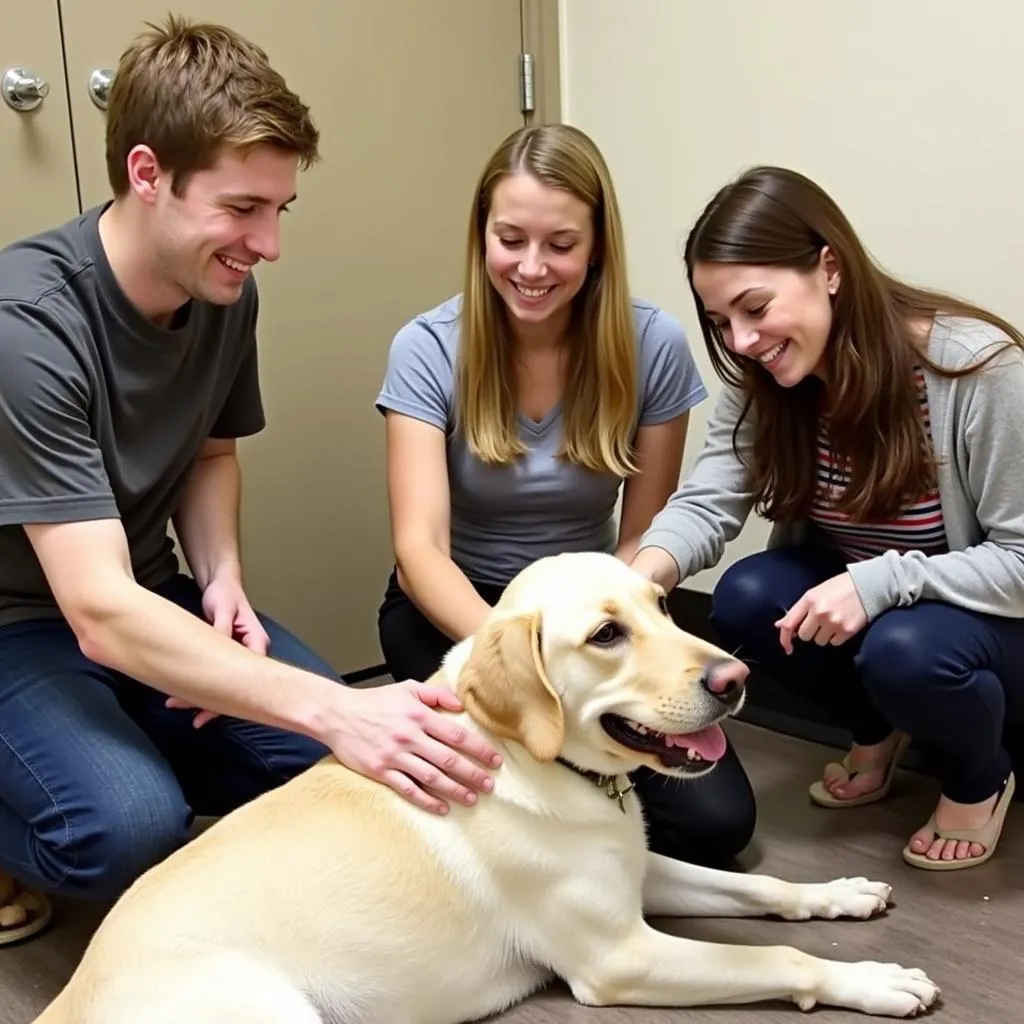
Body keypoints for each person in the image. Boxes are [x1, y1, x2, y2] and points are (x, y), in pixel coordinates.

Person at [0, 15, 500, 943]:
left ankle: (113, 742)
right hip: (21, 627)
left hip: (141, 597)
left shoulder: (222, 289)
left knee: (346, 776)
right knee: (124, 830)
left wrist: (222, 577)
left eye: (280, 211)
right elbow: (97, 610)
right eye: (241, 209)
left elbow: (210, 451)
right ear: (147, 175)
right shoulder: (25, 323)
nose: (266, 244)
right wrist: (335, 707)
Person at [374, 123, 757, 868]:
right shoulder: (427, 346)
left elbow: (643, 539)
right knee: (512, 802)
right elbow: (418, 549)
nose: (532, 267)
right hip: (459, 612)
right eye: (510, 239)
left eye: (560, 244)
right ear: (481, 236)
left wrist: (593, 647)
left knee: (713, 827)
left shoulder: (653, 345)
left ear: (597, 246)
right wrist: (517, 663)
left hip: (595, 616)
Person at [630, 164, 1024, 872]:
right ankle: (877, 729)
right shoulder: (768, 386)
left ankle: (981, 776)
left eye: (756, 308)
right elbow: (709, 500)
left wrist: (877, 582)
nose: (743, 340)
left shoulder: (977, 370)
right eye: (722, 322)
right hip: (892, 613)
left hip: (985, 628)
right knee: (747, 597)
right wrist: (635, 581)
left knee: (905, 649)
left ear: (830, 267)